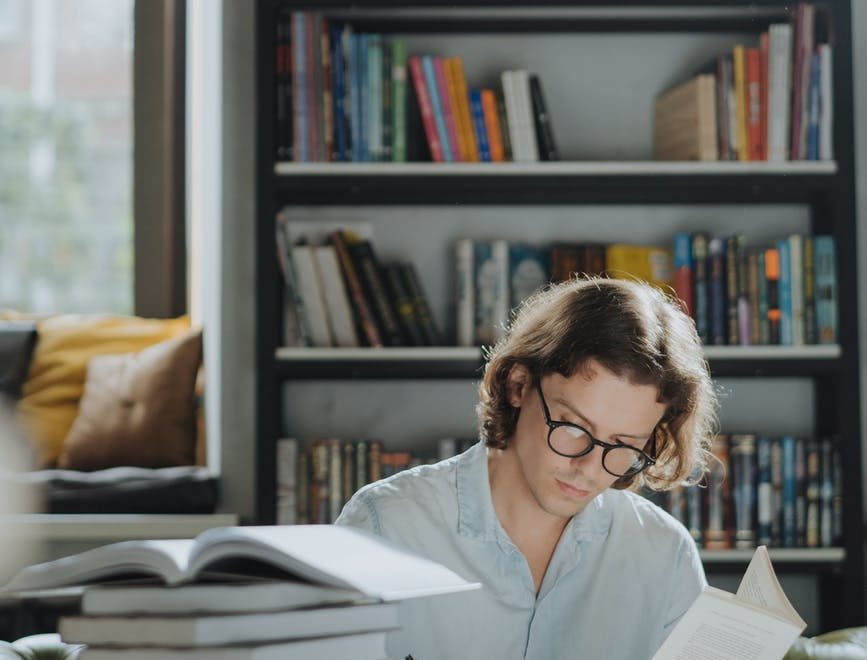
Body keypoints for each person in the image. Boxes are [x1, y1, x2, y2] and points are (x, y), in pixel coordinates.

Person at [336, 276, 719, 660]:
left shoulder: (665, 555)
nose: (588, 467)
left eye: (623, 445)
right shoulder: (385, 526)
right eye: (573, 428)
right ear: (518, 385)